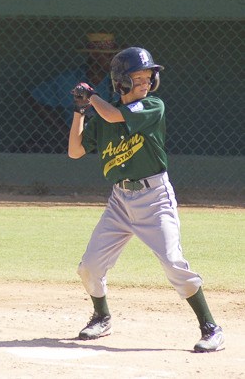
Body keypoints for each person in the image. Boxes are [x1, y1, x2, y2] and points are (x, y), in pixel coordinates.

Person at [68, 47, 224, 352]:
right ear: (121, 81)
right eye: (137, 77)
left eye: (147, 76)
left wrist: (92, 97)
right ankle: (102, 317)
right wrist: (80, 111)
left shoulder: (153, 105)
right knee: (89, 267)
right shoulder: (100, 114)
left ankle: (211, 327)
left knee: (173, 263)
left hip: (154, 198)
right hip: (119, 201)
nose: (145, 81)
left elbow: (115, 115)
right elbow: (75, 151)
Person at [20, 33, 120, 153]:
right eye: (109, 56)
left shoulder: (117, 82)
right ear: (94, 55)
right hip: (75, 139)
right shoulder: (68, 80)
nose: (114, 60)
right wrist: (61, 130)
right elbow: (33, 96)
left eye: (115, 56)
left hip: (108, 141)